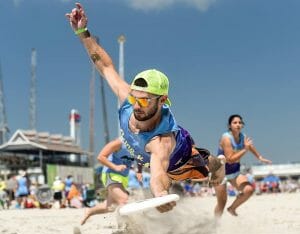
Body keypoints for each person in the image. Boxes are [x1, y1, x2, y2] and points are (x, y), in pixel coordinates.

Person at [66, 3, 225, 213]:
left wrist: (159, 194)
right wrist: (82, 32)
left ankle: (219, 166)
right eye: (135, 97)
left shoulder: (161, 141)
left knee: (206, 164)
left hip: (179, 160)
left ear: (161, 100)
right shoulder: (129, 101)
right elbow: (104, 65)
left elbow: (159, 169)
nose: (137, 105)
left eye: (144, 101)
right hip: (151, 159)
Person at [214, 114, 272, 216]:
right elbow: (230, 159)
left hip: (234, 172)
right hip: (219, 173)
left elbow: (250, 147)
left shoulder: (242, 137)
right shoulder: (226, 138)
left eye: (240, 122)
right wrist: (245, 149)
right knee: (221, 203)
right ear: (229, 125)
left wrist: (259, 157)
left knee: (249, 190)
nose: (238, 124)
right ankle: (215, 224)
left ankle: (232, 208)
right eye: (235, 122)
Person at [81, 138, 135, 225]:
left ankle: (89, 211)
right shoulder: (119, 142)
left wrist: (139, 171)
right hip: (111, 174)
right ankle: (127, 227)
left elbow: (141, 159)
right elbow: (101, 157)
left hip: (123, 177)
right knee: (124, 200)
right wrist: (115, 167)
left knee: (110, 207)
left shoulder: (140, 145)